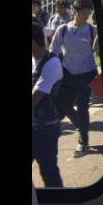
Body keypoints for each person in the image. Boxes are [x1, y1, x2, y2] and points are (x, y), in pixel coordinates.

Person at [49, 0, 98, 157]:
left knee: (83, 107)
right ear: (76, 11)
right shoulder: (63, 29)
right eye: (86, 11)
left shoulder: (92, 30)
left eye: (89, 12)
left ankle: (83, 141)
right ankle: (81, 127)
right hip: (68, 74)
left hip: (87, 73)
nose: (88, 14)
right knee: (64, 106)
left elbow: (99, 50)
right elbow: (53, 51)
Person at [32, 23, 64, 187]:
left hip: (45, 129)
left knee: (49, 172)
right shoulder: (33, 60)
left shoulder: (52, 63)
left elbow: (35, 98)